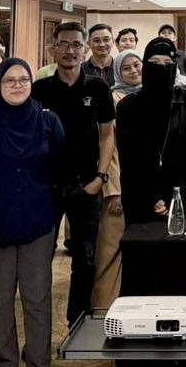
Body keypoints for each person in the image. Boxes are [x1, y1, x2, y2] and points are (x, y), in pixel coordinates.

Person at [31, 21, 115, 327]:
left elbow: (107, 134)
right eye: (64, 44)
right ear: (53, 49)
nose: (70, 51)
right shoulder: (39, 89)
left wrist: (100, 177)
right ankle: (39, 331)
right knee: (41, 258)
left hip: (87, 184)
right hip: (46, 187)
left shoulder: (98, 87)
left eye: (77, 45)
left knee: (86, 258)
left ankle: (77, 323)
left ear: (85, 49)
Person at [0, 59, 63, 367]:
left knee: (37, 297)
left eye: (23, 80)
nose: (17, 85)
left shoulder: (48, 121)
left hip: (38, 220)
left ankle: (39, 361)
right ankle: (6, 360)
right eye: (9, 80)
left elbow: (61, 170)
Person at [117, 37, 186, 226]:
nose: (161, 68)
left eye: (167, 63)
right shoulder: (128, 107)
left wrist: (176, 195)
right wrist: (153, 197)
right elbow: (129, 159)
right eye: (155, 62)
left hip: (180, 199)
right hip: (139, 199)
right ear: (145, 66)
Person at [92, 50, 141, 309]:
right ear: (117, 73)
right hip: (119, 190)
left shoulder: (149, 96)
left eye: (137, 65)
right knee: (110, 252)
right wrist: (114, 191)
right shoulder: (112, 98)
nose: (133, 71)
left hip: (143, 190)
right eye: (126, 68)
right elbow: (109, 149)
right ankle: (103, 310)